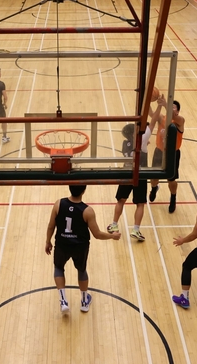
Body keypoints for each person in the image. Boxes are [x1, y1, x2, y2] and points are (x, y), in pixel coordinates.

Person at [45, 185, 121, 314]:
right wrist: (112, 236)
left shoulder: (58, 204)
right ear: (84, 191)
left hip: (62, 243)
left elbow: (51, 226)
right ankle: (84, 302)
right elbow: (97, 234)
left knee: (58, 268)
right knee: (81, 270)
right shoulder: (87, 211)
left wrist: (48, 241)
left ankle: (63, 301)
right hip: (80, 246)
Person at [107, 99, 164, 241]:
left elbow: (136, 147)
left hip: (126, 173)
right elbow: (153, 121)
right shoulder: (142, 139)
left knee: (121, 200)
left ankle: (114, 225)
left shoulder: (124, 143)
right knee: (140, 204)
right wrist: (159, 106)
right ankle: (136, 230)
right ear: (134, 133)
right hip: (140, 174)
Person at [149, 99, 185, 213]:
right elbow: (151, 114)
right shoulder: (162, 118)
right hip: (159, 151)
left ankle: (173, 198)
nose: (171, 108)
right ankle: (154, 188)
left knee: (171, 180)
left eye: (173, 107)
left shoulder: (180, 121)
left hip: (172, 154)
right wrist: (147, 99)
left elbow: (172, 115)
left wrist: (165, 104)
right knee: (154, 177)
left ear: (177, 111)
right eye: (170, 106)